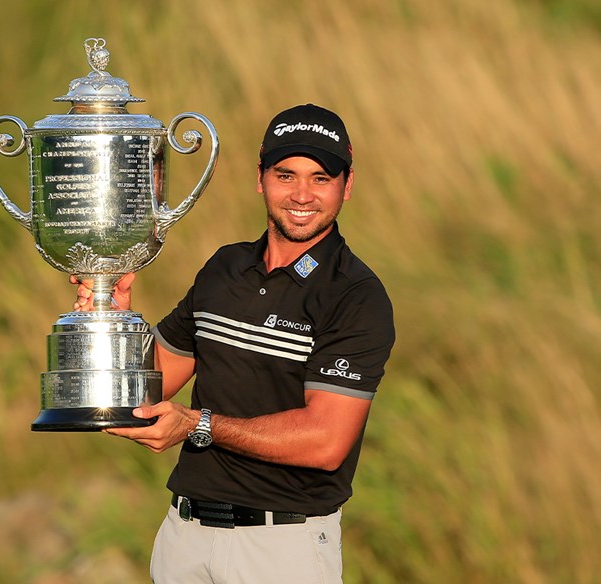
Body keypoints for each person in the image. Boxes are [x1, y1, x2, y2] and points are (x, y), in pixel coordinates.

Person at [73, 104, 395, 584]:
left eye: (321, 178)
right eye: (286, 175)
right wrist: (111, 318)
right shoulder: (225, 269)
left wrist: (199, 424)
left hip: (282, 547)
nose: (302, 194)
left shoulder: (355, 295)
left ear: (346, 186)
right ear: (260, 179)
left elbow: (326, 441)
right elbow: (142, 391)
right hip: (184, 537)